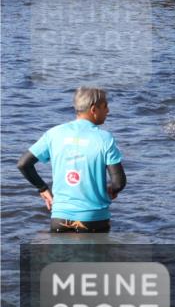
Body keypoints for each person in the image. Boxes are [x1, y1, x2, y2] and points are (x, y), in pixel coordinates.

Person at [17, 87, 126, 233]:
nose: (108, 111)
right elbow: (119, 182)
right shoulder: (105, 138)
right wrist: (113, 190)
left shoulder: (54, 134)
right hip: (94, 219)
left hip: (60, 219)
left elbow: (23, 164)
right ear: (94, 109)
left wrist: (42, 188)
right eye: (105, 106)